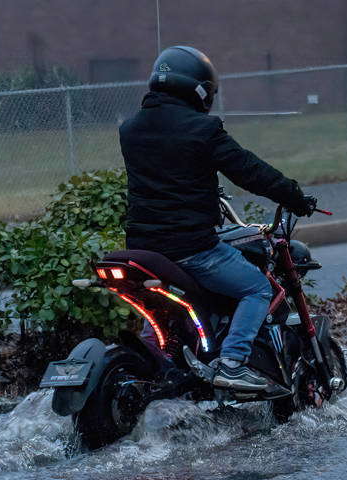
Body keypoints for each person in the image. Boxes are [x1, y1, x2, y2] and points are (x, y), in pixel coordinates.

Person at [119, 46, 316, 393]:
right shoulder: (201, 129)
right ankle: (233, 363)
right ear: (199, 90)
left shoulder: (131, 129)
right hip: (191, 247)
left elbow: (168, 173)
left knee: (162, 308)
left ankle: (161, 363)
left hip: (143, 250)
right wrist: (295, 197)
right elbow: (250, 171)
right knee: (257, 288)